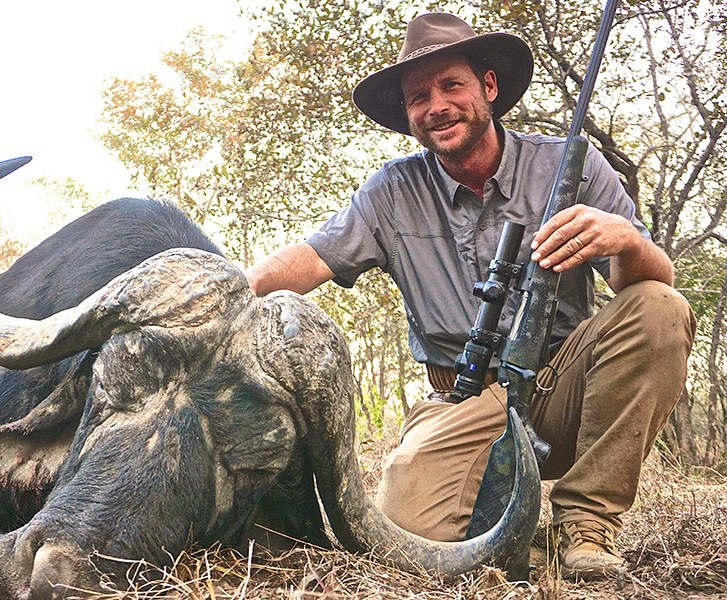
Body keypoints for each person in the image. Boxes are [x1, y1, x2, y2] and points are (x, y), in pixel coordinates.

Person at [244, 12, 695, 580]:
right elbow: (308, 259)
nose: (436, 105)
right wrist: (228, 287)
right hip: (463, 397)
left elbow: (646, 284)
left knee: (660, 307)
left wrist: (627, 239)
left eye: (451, 85)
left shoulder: (571, 166)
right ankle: (512, 527)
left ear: (488, 86)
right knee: (405, 539)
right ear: (408, 115)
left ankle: (586, 521)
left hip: (562, 386)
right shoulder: (392, 189)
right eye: (418, 96)